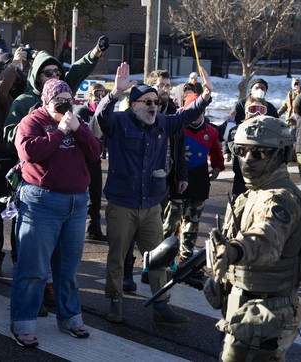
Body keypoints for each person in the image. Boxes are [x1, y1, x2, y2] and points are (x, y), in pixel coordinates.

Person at [96, 62, 212, 325]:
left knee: (159, 257)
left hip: (151, 205)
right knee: (116, 256)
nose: (153, 106)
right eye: (147, 102)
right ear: (134, 104)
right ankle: (115, 301)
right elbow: (102, 117)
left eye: (156, 103)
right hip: (122, 203)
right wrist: (115, 94)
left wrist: (205, 96)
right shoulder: (119, 122)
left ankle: (161, 304)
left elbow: (184, 115)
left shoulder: (162, 123)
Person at [4, 35, 109, 308]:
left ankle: (65, 309)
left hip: (73, 197)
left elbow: (95, 150)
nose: (53, 75)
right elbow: (19, 141)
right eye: (46, 73)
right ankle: (30, 305)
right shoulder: (27, 104)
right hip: (37, 188)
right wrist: (49, 129)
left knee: (66, 264)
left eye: (56, 71)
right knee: (33, 259)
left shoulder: (71, 110)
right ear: (38, 79)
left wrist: (96, 51)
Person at [10, 79, 101, 347]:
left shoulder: (77, 120)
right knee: (34, 269)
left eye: (68, 97)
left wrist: (78, 130)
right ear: (46, 100)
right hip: (41, 203)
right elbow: (29, 152)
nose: (64, 102)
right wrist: (60, 132)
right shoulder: (32, 121)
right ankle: (23, 323)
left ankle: (70, 317)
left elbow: (95, 153)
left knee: (68, 268)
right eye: (58, 98)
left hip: (76, 203)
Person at [212, 116, 301, 361]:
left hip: (267, 313)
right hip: (253, 309)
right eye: (241, 151)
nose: (247, 160)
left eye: (260, 153)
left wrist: (235, 250)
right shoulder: (257, 190)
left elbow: (265, 237)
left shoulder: (278, 199)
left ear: (281, 154)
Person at [122, 69, 188, 291]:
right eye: (160, 85)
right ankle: (126, 273)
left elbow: (180, 147)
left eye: (168, 86)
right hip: (136, 179)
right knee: (130, 230)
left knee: (155, 230)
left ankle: (150, 270)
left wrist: (181, 175)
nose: (164, 90)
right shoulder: (135, 110)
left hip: (163, 179)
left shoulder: (173, 113)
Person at [162, 93, 224, 266]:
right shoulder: (177, 128)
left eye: (200, 112)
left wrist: (217, 167)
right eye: (193, 111)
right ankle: (163, 255)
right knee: (170, 221)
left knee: (192, 220)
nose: (196, 116)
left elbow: (216, 151)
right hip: (177, 178)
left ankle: (186, 256)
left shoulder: (210, 131)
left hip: (199, 179)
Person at [0, 47, 27, 276]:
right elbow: (0, 92)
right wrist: (13, 64)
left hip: (19, 159)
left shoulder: (26, 94)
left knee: (20, 211)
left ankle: (18, 257)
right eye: (12, 67)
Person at [75, 82, 107, 242]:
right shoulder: (82, 111)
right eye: (96, 92)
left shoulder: (103, 113)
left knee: (95, 196)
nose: (99, 95)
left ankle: (94, 230)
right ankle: (81, 229)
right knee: (82, 195)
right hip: (82, 160)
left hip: (95, 159)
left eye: (102, 92)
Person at [278, 77, 301, 141]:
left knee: (294, 140)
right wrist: (276, 114)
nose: (295, 85)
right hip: (288, 121)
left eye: (297, 83)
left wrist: (298, 92)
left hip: (297, 123)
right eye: (294, 83)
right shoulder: (290, 94)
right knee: (287, 139)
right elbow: (284, 106)